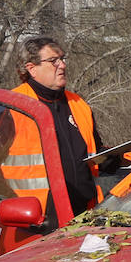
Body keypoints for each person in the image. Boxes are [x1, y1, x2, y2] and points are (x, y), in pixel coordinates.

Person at [8, 36, 111, 222]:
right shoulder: (12, 106)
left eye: (62, 59)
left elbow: (95, 152)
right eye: (53, 61)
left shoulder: (79, 104)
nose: (62, 65)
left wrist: (110, 158)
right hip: (33, 222)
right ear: (32, 69)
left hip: (84, 214)